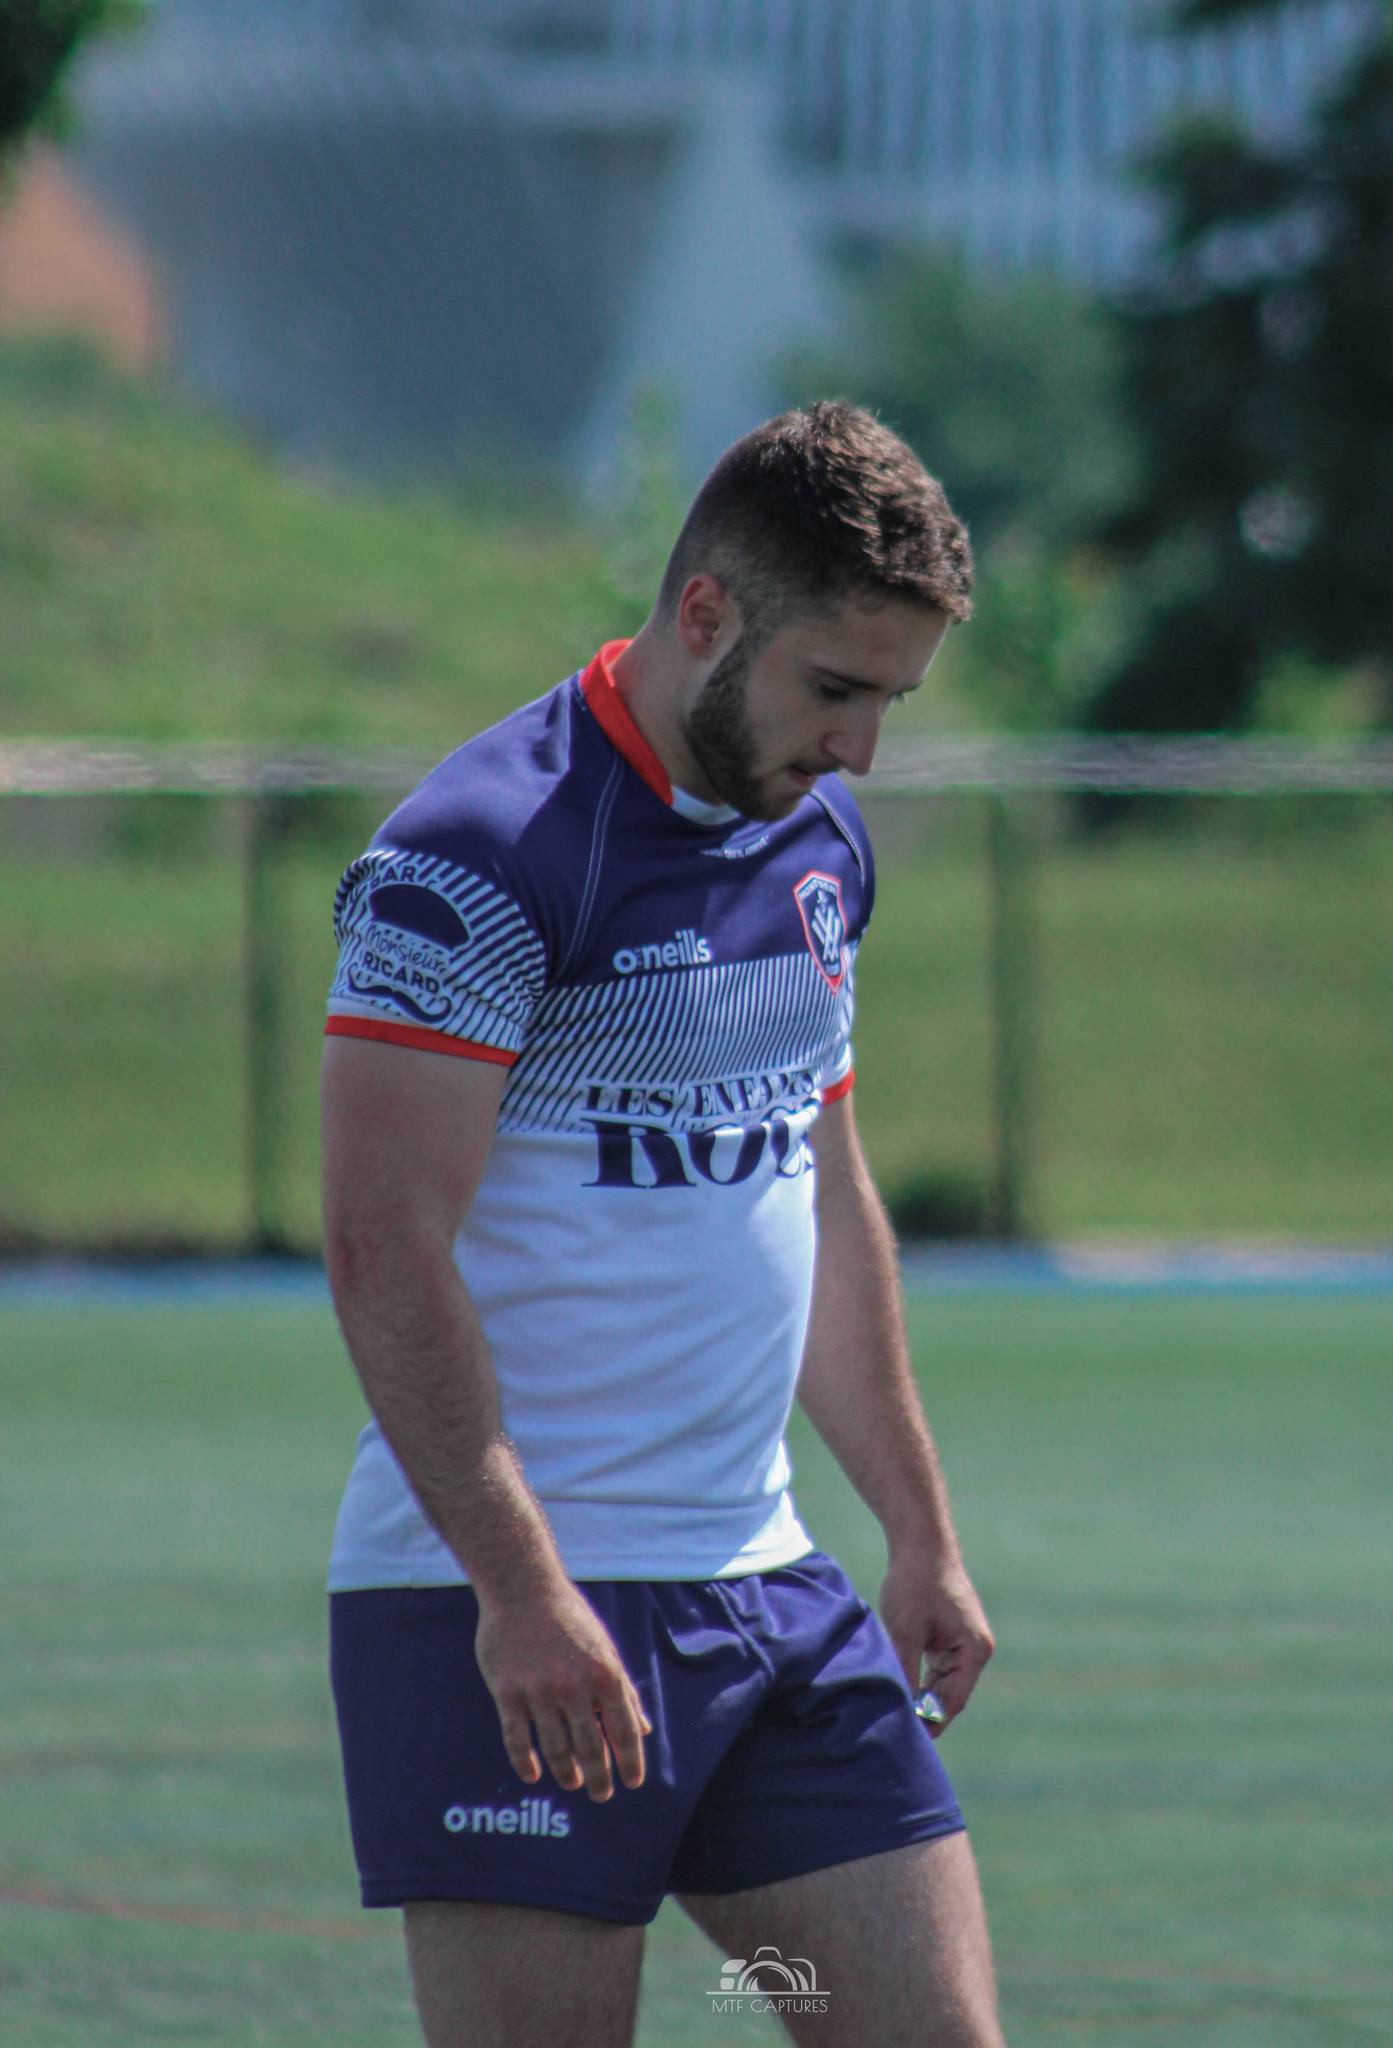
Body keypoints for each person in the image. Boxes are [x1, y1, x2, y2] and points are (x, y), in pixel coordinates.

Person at [321, 400, 1004, 2047]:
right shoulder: (477, 856)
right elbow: (382, 1248)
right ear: (705, 615)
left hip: (770, 1602)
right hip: (515, 1616)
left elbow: (822, 1194)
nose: (862, 752)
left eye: (893, 702)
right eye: (836, 690)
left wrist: (917, 1526)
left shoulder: (816, 839)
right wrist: (519, 1591)